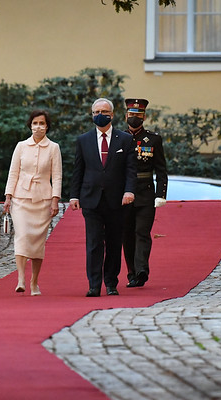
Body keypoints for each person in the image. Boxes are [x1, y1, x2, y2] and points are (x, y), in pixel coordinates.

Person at [70, 98, 137, 297]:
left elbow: (130, 169)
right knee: (94, 243)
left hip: (117, 200)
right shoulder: (83, 140)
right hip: (91, 199)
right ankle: (94, 284)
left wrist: (129, 190)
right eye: (96, 111)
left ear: (112, 115)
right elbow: (78, 170)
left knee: (114, 242)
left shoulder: (124, 140)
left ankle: (111, 283)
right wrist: (74, 195)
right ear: (92, 115)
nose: (100, 114)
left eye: (104, 111)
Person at [4, 109, 62, 296]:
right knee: (21, 235)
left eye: (42, 123)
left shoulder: (54, 148)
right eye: (35, 123)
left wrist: (55, 200)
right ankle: (21, 278)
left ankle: (34, 282)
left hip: (43, 200)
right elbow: (13, 172)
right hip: (21, 198)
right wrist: (8, 196)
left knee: (37, 242)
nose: (38, 127)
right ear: (30, 125)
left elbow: (57, 176)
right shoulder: (21, 146)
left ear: (47, 126)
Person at [122, 98, 168, 288]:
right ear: (126, 116)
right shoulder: (120, 138)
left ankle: (142, 270)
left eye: (138, 116)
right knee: (127, 234)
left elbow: (161, 169)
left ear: (144, 117)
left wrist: (161, 194)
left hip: (146, 191)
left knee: (142, 232)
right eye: (131, 115)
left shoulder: (153, 139)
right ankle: (131, 272)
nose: (134, 118)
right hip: (125, 192)